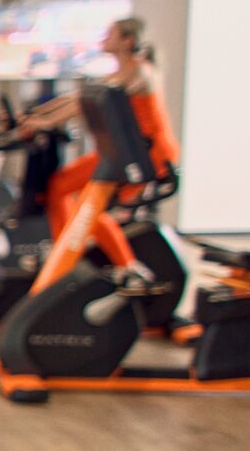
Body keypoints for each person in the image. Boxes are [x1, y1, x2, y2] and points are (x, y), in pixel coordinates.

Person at [18, 16, 179, 266]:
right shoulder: (120, 72)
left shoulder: (139, 71)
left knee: (86, 203)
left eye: (110, 34)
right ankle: (66, 255)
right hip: (120, 152)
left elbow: (87, 102)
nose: (104, 38)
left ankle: (125, 265)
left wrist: (47, 123)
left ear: (128, 40)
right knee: (61, 187)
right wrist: (35, 115)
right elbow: (76, 97)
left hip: (146, 154)